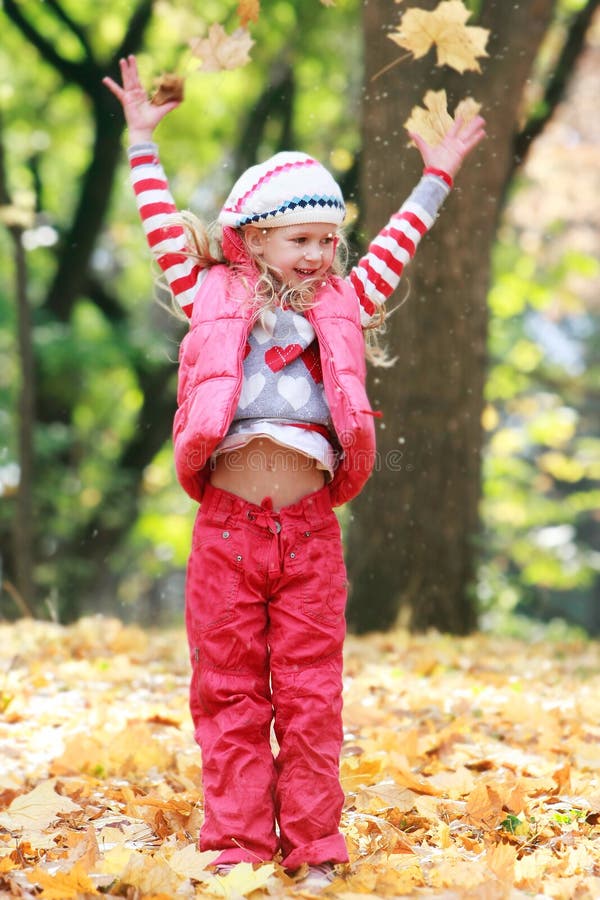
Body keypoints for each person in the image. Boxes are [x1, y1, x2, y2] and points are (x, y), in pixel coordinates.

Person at [103, 55, 485, 890]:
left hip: (309, 535)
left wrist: (436, 178)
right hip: (227, 536)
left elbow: (397, 245)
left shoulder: (344, 302)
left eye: (328, 240)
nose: (321, 254)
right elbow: (159, 218)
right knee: (231, 693)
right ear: (255, 236)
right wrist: (139, 138)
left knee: (310, 697)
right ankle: (238, 843)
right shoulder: (205, 290)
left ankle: (314, 846)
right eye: (303, 238)